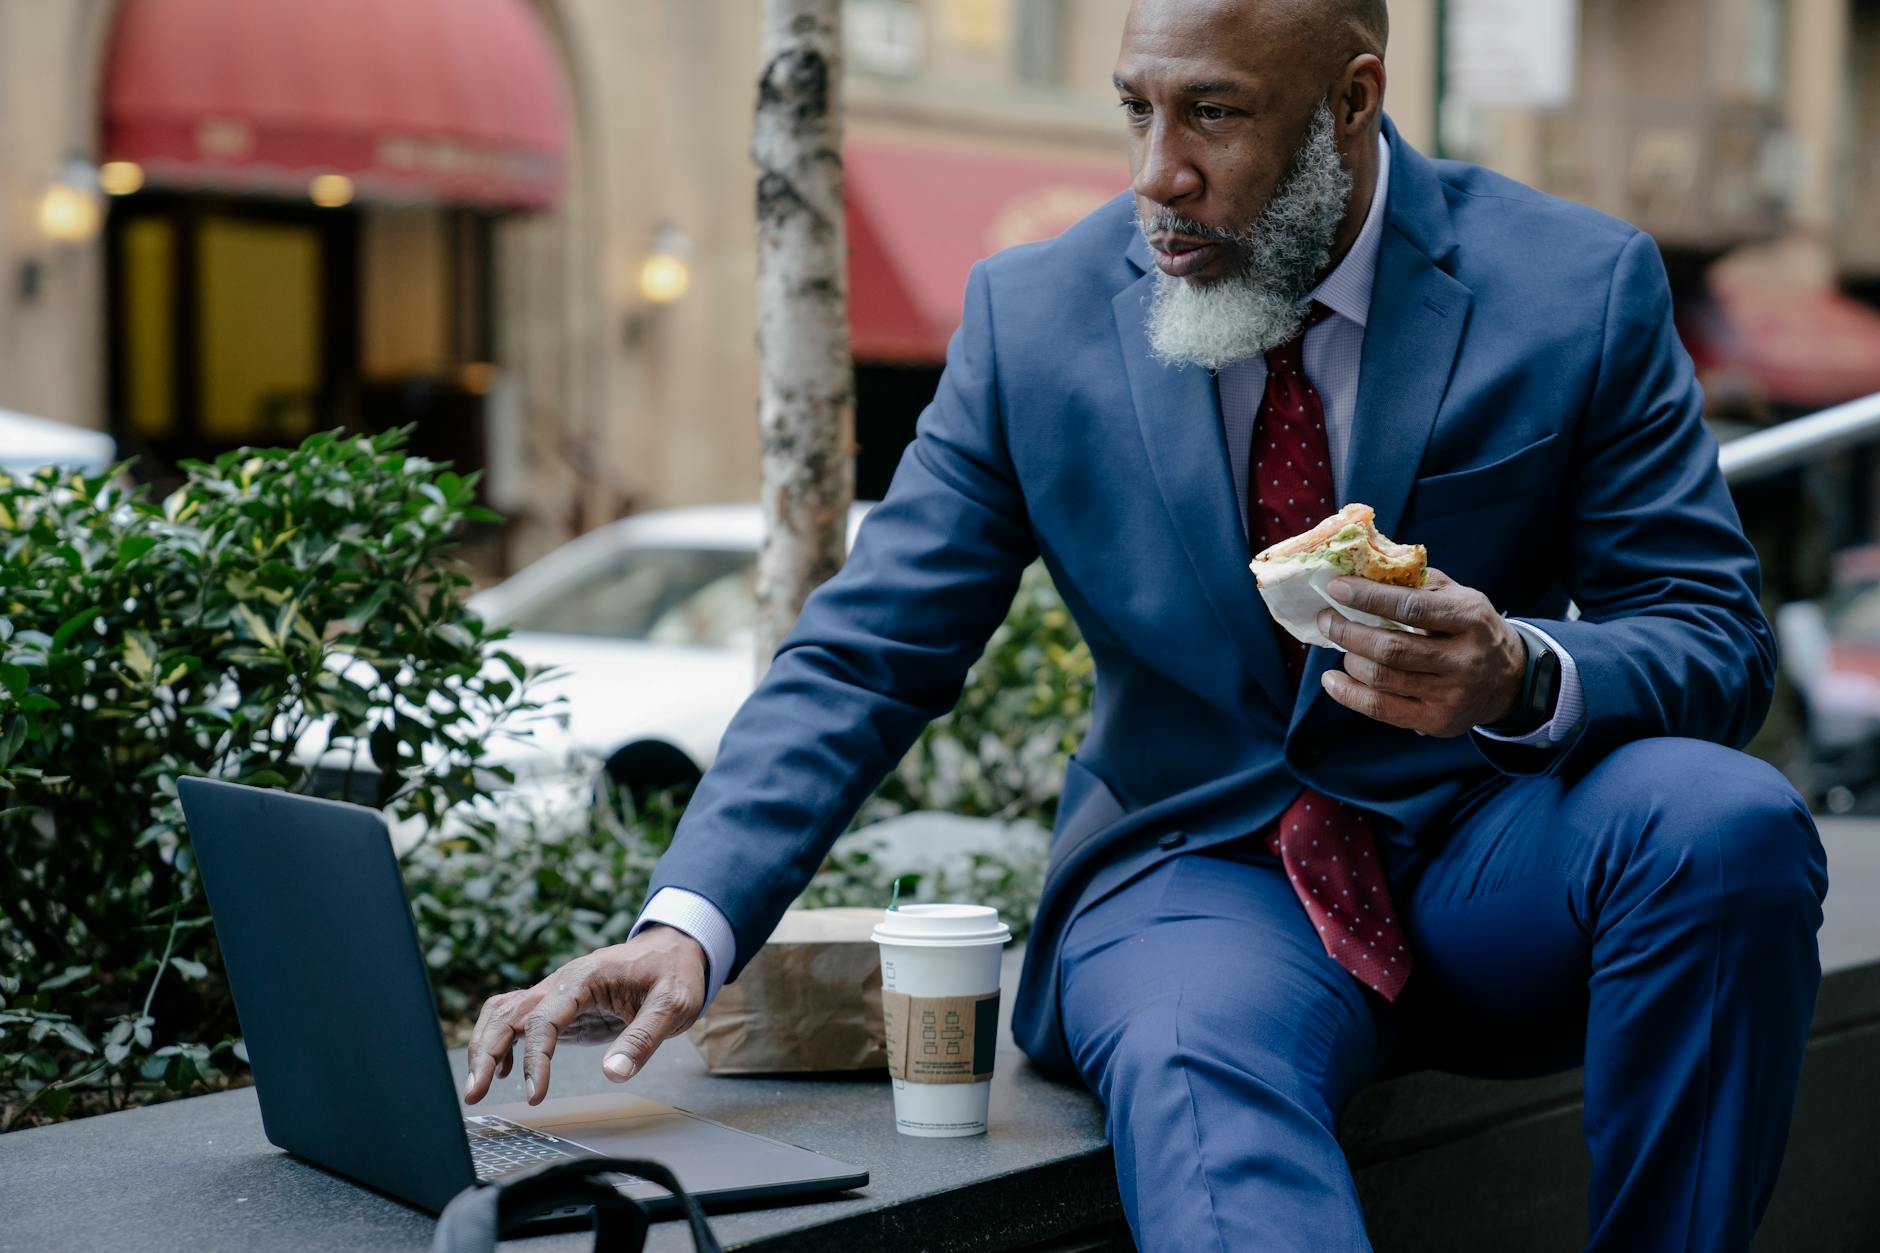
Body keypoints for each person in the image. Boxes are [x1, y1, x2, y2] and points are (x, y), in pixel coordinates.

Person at [463, 1, 1828, 1247]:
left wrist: (1523, 669)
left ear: (1354, 100)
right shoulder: (1032, 316)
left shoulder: (1576, 285)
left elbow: (1708, 629)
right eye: (1135, 107)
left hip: (1493, 858)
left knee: (1726, 826)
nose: (1155, 172)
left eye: (1215, 114)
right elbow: (867, 651)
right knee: (1195, 1051)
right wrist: (687, 924)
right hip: (1196, 869)